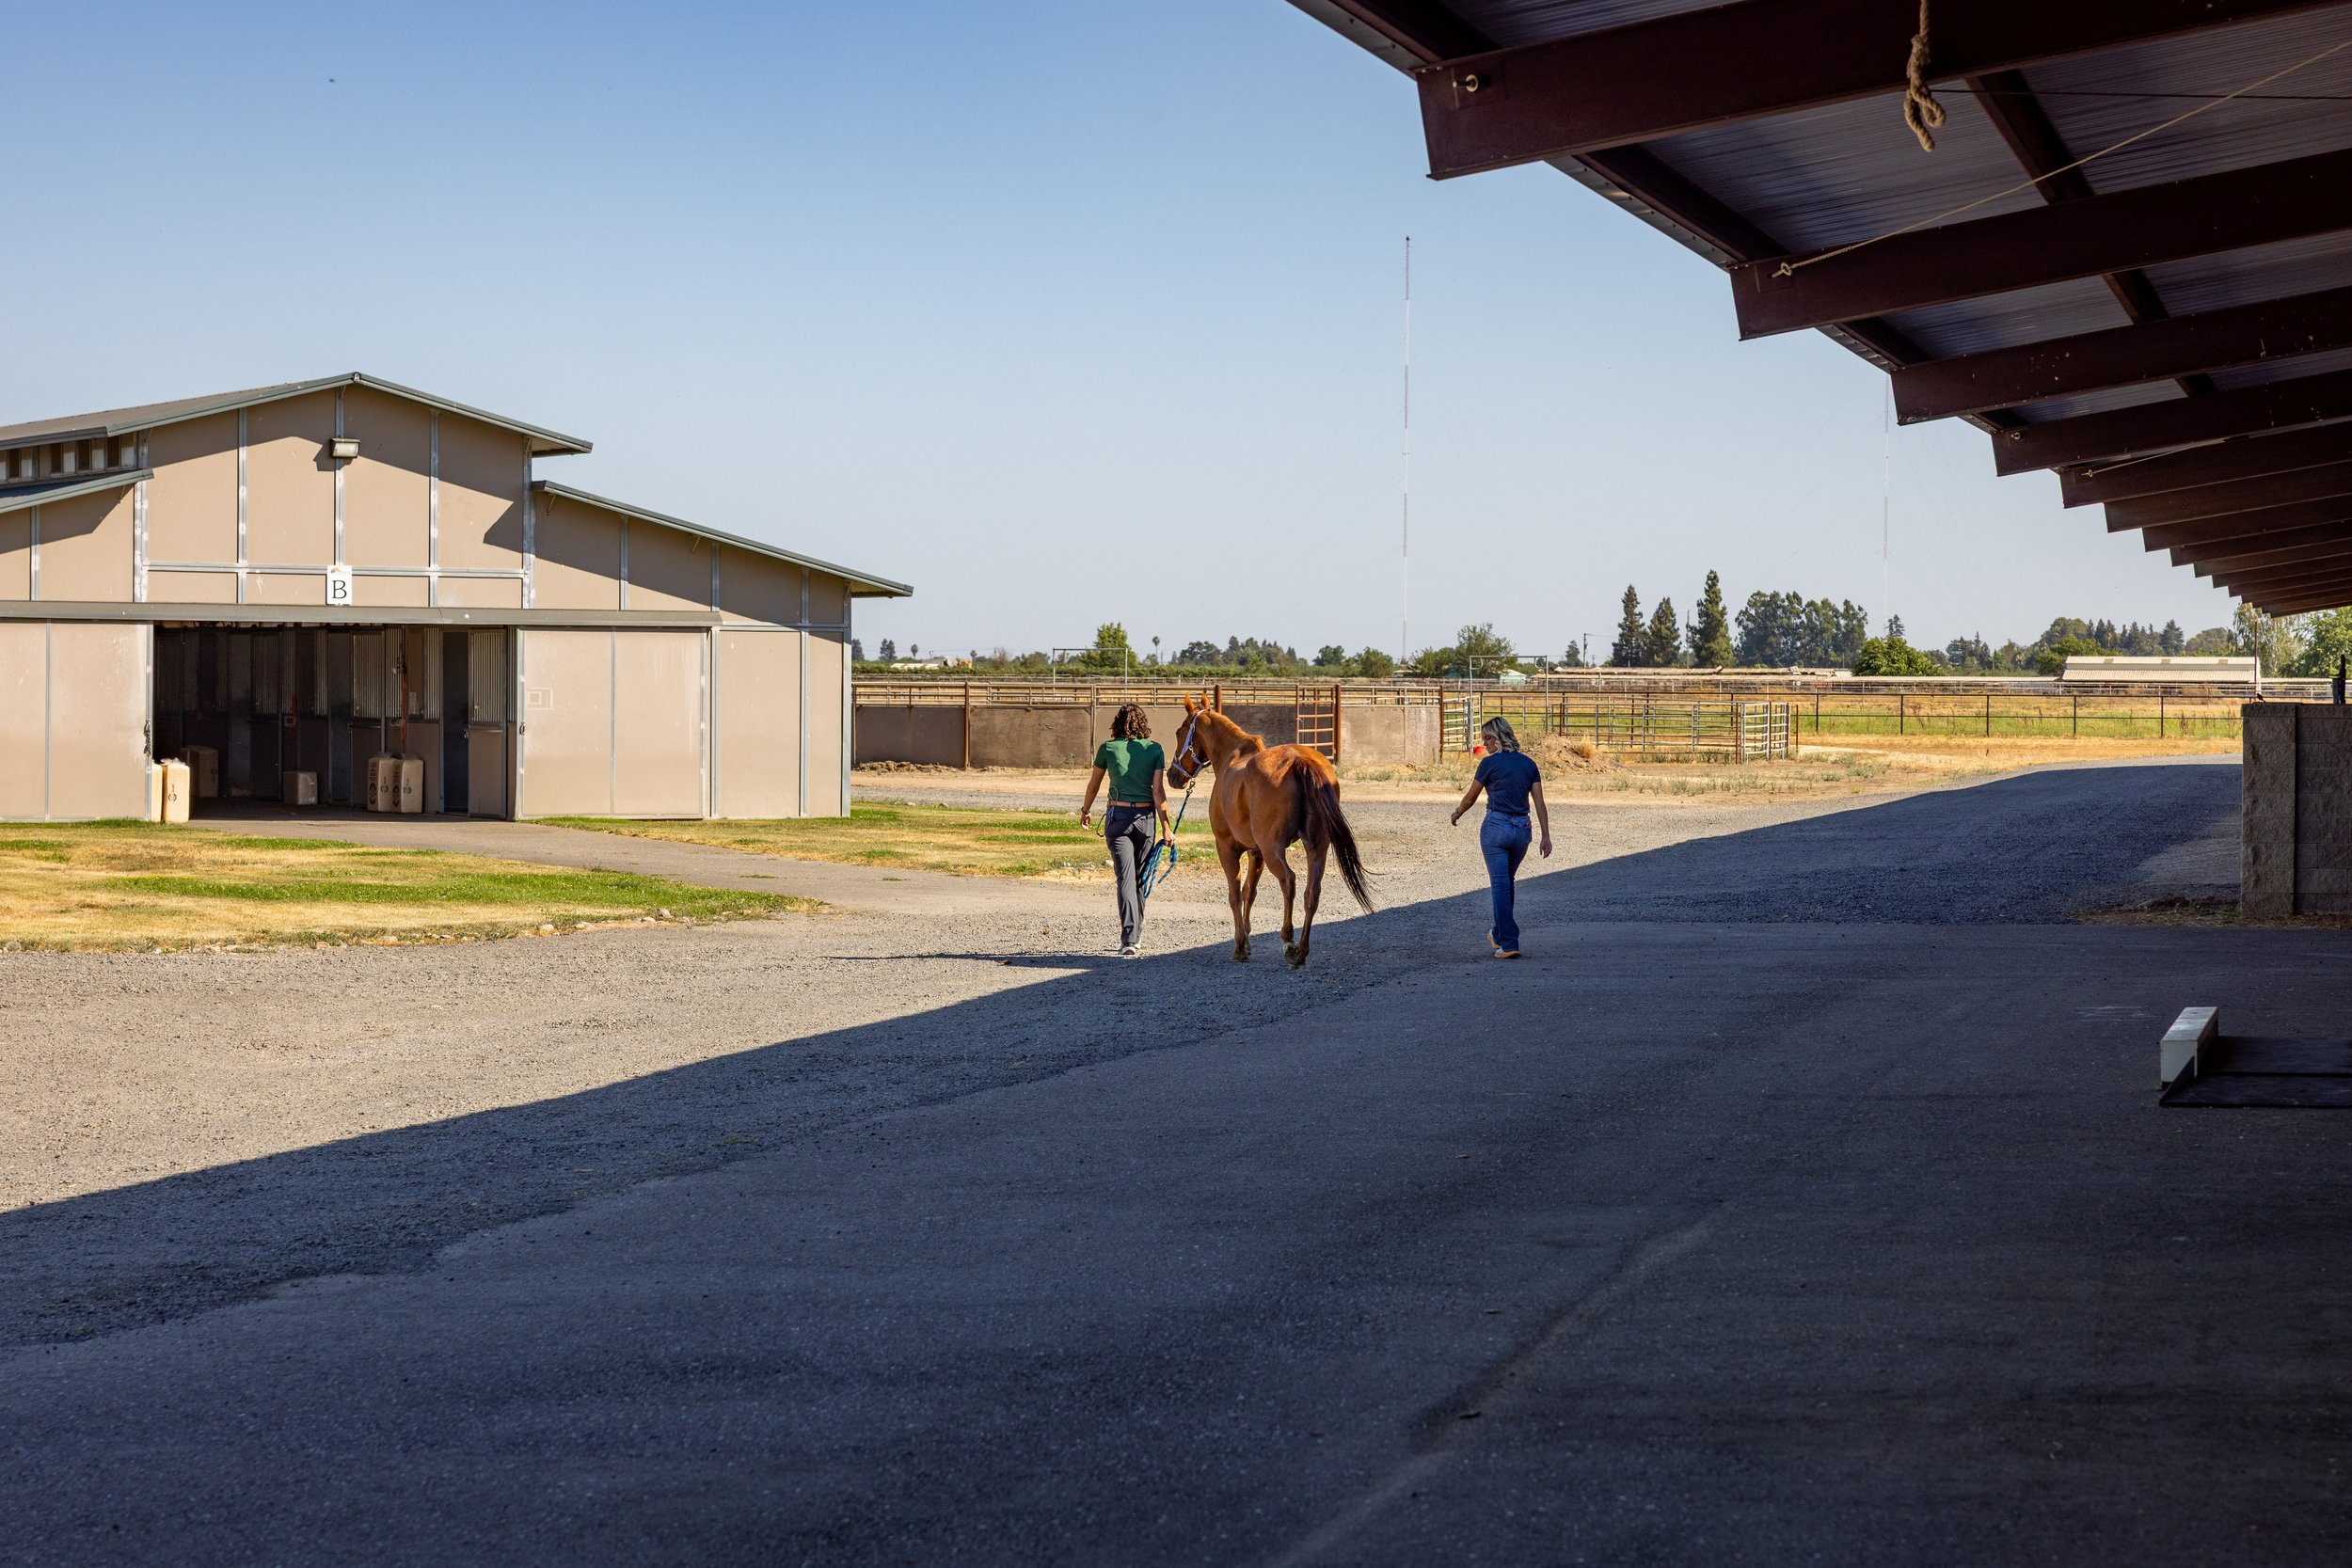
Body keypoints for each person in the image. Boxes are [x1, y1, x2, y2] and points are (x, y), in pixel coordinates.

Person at [1450, 716, 1551, 958]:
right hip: (1522, 830)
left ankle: (1509, 941)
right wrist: (1545, 836)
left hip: (1496, 826)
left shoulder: (1489, 764)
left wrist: (1457, 812)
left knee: (1500, 884)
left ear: (1499, 737)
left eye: (1487, 738)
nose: (1484, 743)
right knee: (1507, 881)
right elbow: (1539, 801)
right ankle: (1498, 934)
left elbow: (1471, 797)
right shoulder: (1529, 764)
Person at [1079, 703, 1171, 958]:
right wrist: (1167, 827)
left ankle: (1130, 938)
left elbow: (1094, 785)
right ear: (1143, 723)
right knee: (1140, 878)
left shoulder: (1107, 749)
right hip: (1146, 819)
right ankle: (1135, 935)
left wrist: (1085, 810)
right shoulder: (1155, 749)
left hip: (1118, 817)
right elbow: (1158, 792)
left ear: (1118, 724)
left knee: (1126, 878)